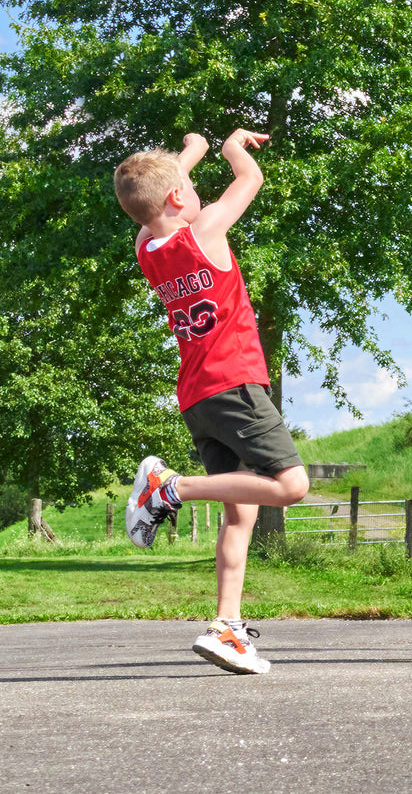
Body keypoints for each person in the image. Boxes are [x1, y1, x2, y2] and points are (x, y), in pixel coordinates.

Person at [113, 129, 310, 673]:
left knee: (241, 511)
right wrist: (229, 146)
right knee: (292, 485)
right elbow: (250, 178)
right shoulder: (205, 231)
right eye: (189, 187)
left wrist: (190, 151)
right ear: (180, 198)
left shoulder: (147, 249)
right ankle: (169, 488)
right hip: (236, 383)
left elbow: (158, 192)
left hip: (197, 396)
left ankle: (226, 627)